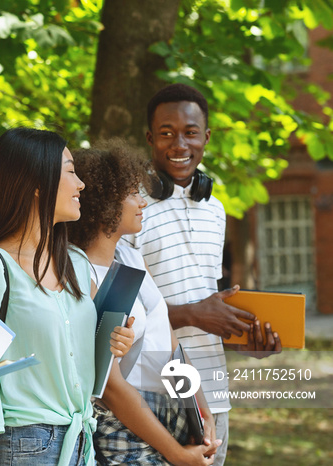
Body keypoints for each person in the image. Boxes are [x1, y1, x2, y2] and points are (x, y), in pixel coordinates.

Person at [120, 83, 282, 466]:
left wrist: (243, 338)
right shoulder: (130, 211)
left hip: (213, 391)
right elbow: (119, 313)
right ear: (149, 139)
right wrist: (194, 313)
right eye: (166, 133)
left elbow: (207, 305)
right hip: (152, 392)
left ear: (206, 137)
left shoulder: (217, 210)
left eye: (191, 132)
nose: (180, 144)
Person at [0, 127, 134, 466]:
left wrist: (117, 343)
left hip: (81, 439)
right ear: (37, 183)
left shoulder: (77, 265)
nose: (81, 184)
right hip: (23, 446)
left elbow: (87, 363)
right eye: (70, 171)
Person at [67, 140, 219, 465]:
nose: (143, 203)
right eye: (133, 193)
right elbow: (110, 387)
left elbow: (170, 340)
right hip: (123, 425)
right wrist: (176, 454)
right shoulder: (79, 270)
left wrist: (199, 405)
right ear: (104, 201)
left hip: (169, 411)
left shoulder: (130, 257)